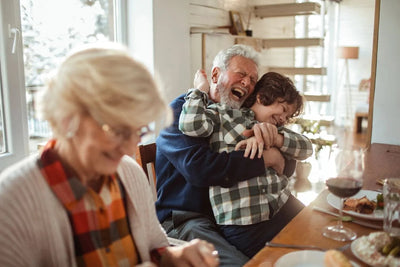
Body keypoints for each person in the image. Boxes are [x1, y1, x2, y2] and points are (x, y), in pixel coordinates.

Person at [0, 43, 219, 267]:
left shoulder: (130, 173)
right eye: (117, 131)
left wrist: (174, 257)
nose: (127, 149)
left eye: (138, 131)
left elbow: (154, 246)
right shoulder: (11, 203)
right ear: (66, 116)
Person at [155, 44, 296, 266]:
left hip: (233, 215)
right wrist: (266, 159)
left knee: (308, 232)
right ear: (215, 74)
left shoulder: (241, 114)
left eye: (252, 79)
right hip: (188, 218)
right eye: (241, 74)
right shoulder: (181, 111)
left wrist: (278, 154)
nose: (247, 83)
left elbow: (286, 161)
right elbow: (200, 169)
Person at [179, 71, 313, 257]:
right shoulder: (221, 115)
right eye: (283, 110)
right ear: (262, 97)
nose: (283, 119)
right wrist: (199, 91)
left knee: (318, 236)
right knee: (281, 259)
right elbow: (191, 125)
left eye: (288, 116)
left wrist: (275, 140)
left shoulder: (276, 128)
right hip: (244, 220)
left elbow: (306, 148)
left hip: (281, 206)